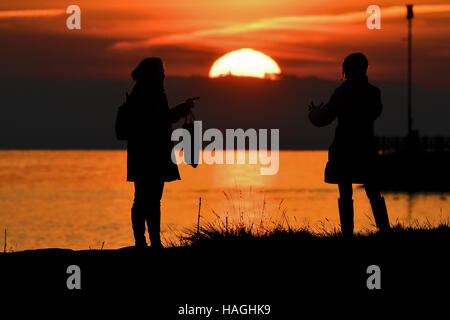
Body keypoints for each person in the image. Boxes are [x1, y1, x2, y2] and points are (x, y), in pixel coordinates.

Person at [308, 52, 390, 238]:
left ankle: (347, 235)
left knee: (345, 192)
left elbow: (324, 119)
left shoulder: (341, 92)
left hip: (343, 149)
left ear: (346, 70)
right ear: (365, 68)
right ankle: (385, 231)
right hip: (366, 148)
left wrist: (313, 112)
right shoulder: (374, 93)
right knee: (373, 191)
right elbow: (375, 113)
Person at [125, 57, 197, 248]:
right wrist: (184, 108)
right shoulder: (151, 93)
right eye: (161, 71)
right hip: (152, 153)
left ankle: (145, 241)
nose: (164, 75)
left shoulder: (140, 91)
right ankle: (149, 242)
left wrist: (181, 109)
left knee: (144, 198)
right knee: (149, 198)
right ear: (153, 74)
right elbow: (163, 119)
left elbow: (161, 119)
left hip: (142, 152)